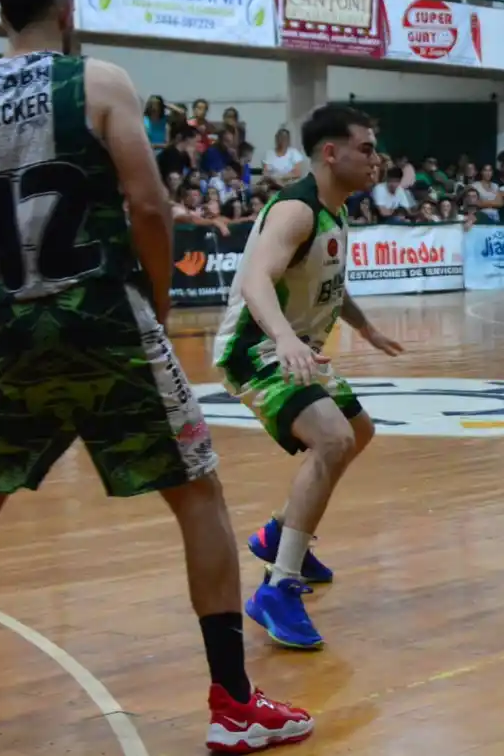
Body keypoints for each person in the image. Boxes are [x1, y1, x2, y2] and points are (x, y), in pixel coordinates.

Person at [0, 0, 311, 750]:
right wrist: (157, 307)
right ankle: (233, 703)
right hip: (102, 318)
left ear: (1, 14)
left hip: (5, 328)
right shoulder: (100, 82)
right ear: (67, 10)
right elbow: (148, 204)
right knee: (198, 495)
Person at [212, 103, 402, 650]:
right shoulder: (296, 210)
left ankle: (279, 534)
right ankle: (278, 588)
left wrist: (365, 328)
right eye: (366, 148)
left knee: (358, 432)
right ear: (331, 153)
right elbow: (256, 280)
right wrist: (284, 337)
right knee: (333, 439)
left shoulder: (334, 209)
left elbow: (329, 284)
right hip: (256, 347)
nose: (376, 159)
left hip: (291, 347)